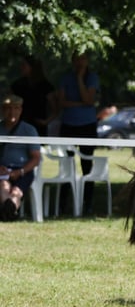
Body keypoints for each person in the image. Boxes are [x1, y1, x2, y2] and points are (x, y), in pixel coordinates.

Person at [57, 50, 100, 216]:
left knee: (86, 165)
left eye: (82, 59)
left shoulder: (92, 78)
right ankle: (62, 205)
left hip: (87, 126)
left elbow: (89, 100)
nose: (79, 63)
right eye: (76, 60)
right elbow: (62, 102)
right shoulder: (65, 77)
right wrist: (80, 103)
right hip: (68, 125)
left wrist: (80, 79)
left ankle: (87, 205)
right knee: (66, 165)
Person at [0, 94, 41, 221]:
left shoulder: (29, 130)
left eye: (16, 108)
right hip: (3, 171)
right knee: (3, 186)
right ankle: (10, 213)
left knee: (16, 191)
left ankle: (8, 212)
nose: (12, 112)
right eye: (8, 108)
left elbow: (36, 158)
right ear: (2, 110)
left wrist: (20, 171)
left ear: (20, 110)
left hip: (24, 170)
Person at [11, 55, 57, 137]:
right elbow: (10, 103)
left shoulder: (45, 86)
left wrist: (46, 121)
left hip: (38, 127)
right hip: (19, 125)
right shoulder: (17, 85)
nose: (21, 67)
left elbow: (55, 107)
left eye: (24, 65)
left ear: (32, 67)